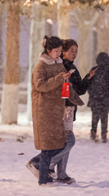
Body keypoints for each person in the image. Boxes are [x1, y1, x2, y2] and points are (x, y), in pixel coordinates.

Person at [25, 35, 83, 185]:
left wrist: (76, 99)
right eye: (56, 51)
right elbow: (40, 86)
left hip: (57, 111)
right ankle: (44, 177)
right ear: (48, 50)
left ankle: (48, 174)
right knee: (48, 145)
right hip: (44, 111)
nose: (59, 54)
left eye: (59, 51)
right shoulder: (41, 67)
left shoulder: (59, 64)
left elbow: (65, 86)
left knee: (59, 142)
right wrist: (58, 78)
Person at [45, 39, 94, 183]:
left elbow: (79, 90)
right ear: (63, 52)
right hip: (63, 108)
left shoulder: (71, 67)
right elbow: (70, 90)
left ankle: (61, 173)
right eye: (71, 51)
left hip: (69, 107)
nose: (74, 54)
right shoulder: (62, 67)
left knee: (65, 141)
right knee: (68, 141)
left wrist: (88, 79)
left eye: (76, 51)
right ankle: (47, 164)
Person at [87, 52, 109, 143]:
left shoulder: (94, 70)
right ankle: (104, 133)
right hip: (106, 98)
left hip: (95, 98)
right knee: (104, 116)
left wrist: (92, 93)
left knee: (95, 116)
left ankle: (93, 131)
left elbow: (88, 82)